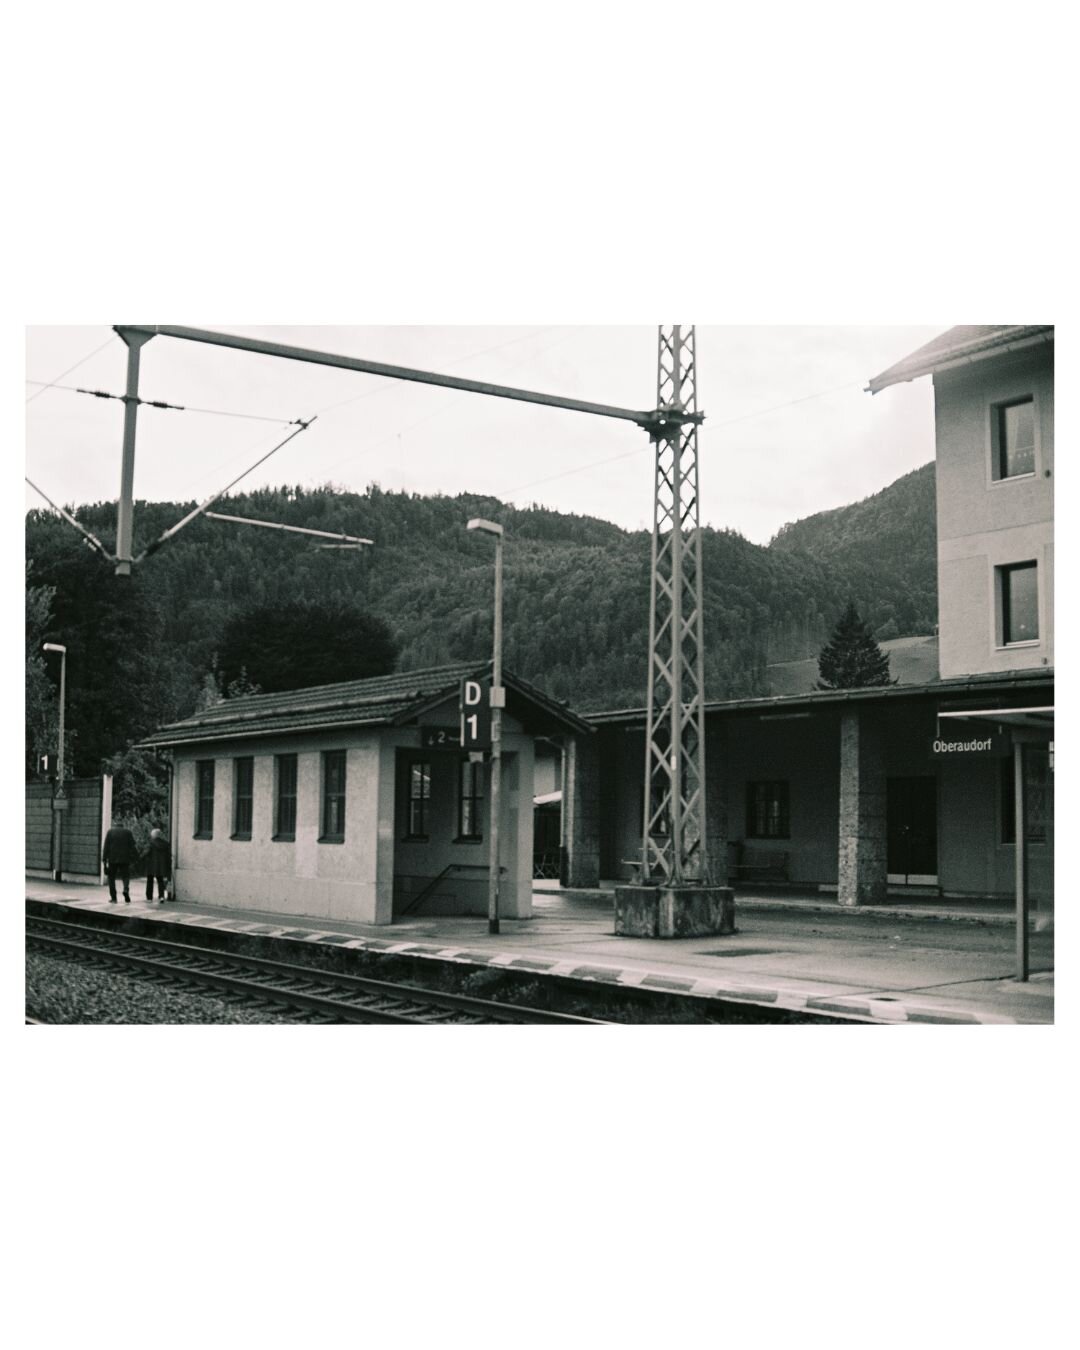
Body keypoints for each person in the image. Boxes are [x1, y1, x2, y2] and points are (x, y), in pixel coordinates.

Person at [101, 820, 138, 903]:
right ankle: (125, 889)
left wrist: (104, 859)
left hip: (112, 859)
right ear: (122, 825)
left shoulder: (110, 832)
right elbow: (133, 846)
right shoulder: (128, 832)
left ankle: (114, 898)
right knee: (125, 876)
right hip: (125, 859)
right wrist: (136, 858)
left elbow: (106, 846)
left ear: (115, 825)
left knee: (111, 878)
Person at [145, 827, 171, 903]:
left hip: (152, 866)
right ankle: (161, 896)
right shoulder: (166, 844)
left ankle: (149, 897)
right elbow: (168, 855)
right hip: (161, 866)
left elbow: (146, 852)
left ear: (153, 835)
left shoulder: (151, 843)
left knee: (150, 881)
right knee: (160, 881)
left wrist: (140, 858)